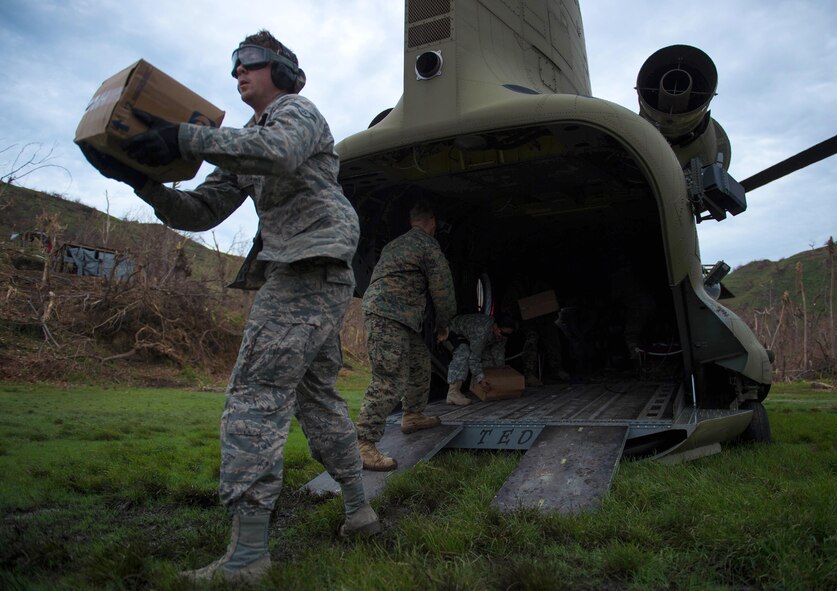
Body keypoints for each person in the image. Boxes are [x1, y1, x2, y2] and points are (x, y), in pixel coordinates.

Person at [80, 30, 377, 583]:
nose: (238, 74)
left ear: (282, 70)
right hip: (307, 269)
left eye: (250, 64)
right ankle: (360, 509)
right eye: (233, 67)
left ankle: (248, 556)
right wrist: (143, 182)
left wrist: (183, 137)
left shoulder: (296, 112)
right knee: (315, 396)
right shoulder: (241, 142)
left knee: (255, 391)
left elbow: (278, 153)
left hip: (312, 265)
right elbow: (201, 211)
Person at [356, 199, 456, 471]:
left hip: (396, 315)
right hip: (390, 315)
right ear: (432, 222)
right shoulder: (426, 245)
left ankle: (412, 415)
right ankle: (363, 444)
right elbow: (443, 287)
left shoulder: (395, 244)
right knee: (389, 377)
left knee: (419, 362)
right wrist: (444, 322)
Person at [444, 313, 515, 405]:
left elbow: (498, 354)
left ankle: (485, 390)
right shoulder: (481, 332)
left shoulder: (501, 335)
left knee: (488, 358)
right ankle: (453, 393)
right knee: (463, 352)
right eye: (503, 333)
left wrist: (500, 374)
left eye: (508, 335)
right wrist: (481, 379)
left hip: (471, 337)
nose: (504, 337)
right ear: (495, 326)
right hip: (452, 331)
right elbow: (474, 359)